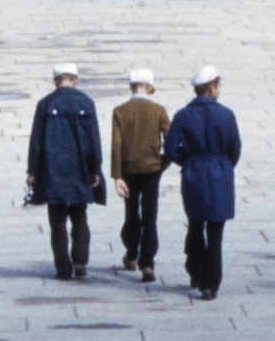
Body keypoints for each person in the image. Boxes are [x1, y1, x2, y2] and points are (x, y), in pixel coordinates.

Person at [163, 66, 243, 300]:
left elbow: (170, 149)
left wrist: (186, 161)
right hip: (219, 171)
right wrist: (225, 165)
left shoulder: (183, 115)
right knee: (216, 232)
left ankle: (196, 271)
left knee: (195, 224)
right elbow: (234, 148)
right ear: (211, 87)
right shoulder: (226, 115)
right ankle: (211, 283)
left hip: (194, 172)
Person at [27, 62, 107, 280]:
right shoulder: (86, 103)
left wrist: (32, 169)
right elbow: (94, 140)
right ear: (76, 80)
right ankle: (80, 259)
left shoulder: (45, 104)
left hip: (53, 169)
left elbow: (37, 140)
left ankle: (63, 267)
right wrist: (95, 168)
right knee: (80, 217)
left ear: (55, 81)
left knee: (57, 221)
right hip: (80, 168)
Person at [111, 69, 171, 283]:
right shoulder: (158, 111)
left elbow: (116, 145)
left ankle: (131, 253)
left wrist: (117, 176)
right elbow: (171, 140)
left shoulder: (120, 111)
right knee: (150, 215)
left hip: (128, 170)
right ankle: (148, 264)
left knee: (131, 214)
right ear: (151, 88)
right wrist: (163, 162)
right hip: (152, 170)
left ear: (131, 87)